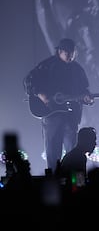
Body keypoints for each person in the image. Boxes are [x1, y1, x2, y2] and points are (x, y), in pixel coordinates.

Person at [23, 38, 94, 174]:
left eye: (72, 53)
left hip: (71, 116)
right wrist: (42, 95)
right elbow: (29, 81)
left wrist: (87, 98)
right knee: (52, 153)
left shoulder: (77, 70)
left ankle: (73, 182)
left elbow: (84, 91)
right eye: (67, 52)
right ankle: (54, 181)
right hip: (52, 116)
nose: (70, 55)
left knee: (73, 151)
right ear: (60, 51)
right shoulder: (47, 66)